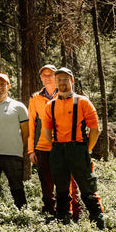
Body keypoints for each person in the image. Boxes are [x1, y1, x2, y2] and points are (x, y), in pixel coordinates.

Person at [42, 67, 106, 229]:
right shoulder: (50, 105)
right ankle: (64, 222)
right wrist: (56, 146)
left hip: (78, 149)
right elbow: (47, 131)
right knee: (61, 188)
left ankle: (98, 223)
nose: (62, 82)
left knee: (87, 187)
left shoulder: (83, 101)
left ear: (72, 80)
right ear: (55, 82)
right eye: (59, 79)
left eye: (65, 79)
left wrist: (86, 149)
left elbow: (95, 129)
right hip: (58, 151)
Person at [29, 65, 82, 218]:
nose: (47, 77)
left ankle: (73, 213)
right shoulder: (35, 98)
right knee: (46, 183)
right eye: (44, 75)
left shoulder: (66, 95)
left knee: (68, 182)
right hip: (42, 147)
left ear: (56, 77)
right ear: (40, 78)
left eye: (50, 74)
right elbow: (31, 125)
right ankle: (50, 213)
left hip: (64, 145)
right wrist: (31, 150)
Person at [0, 73, 29, 210]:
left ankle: (23, 214)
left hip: (12, 154)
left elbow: (26, 132)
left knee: (17, 186)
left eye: (3, 84)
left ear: (9, 86)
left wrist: (18, 146)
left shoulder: (19, 107)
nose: (0, 87)